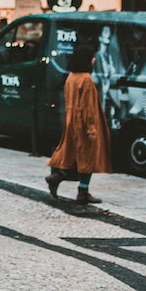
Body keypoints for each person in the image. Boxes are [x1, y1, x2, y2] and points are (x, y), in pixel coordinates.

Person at [45, 44, 112, 204]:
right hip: (83, 125)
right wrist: (91, 128)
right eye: (92, 57)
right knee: (87, 157)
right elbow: (87, 106)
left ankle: (58, 177)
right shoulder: (86, 79)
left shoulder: (71, 77)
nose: (94, 59)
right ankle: (82, 191)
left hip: (71, 122)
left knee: (74, 155)